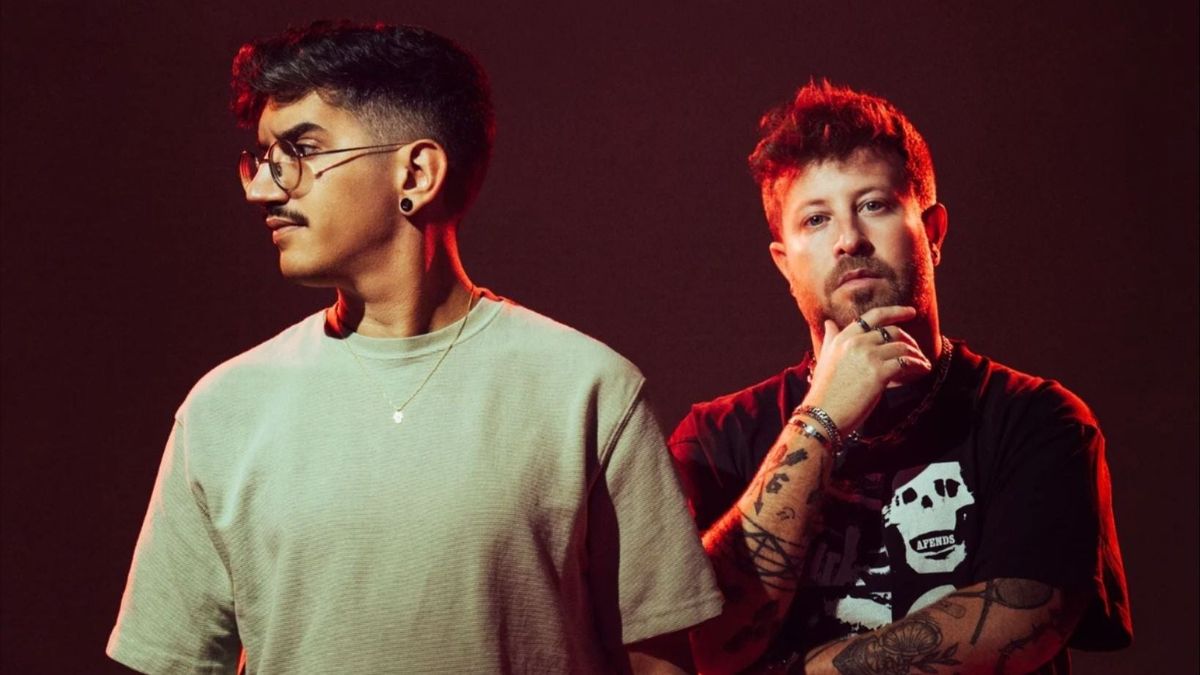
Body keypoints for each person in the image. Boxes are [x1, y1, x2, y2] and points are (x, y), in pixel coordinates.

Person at [107, 21, 722, 674]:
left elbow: (660, 665)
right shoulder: (222, 407)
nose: (262, 188)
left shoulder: (589, 390)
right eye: (261, 159)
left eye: (299, 151)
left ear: (417, 172)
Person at [669, 81, 1131, 674]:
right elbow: (701, 642)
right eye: (816, 219)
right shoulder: (714, 439)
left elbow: (1023, 621)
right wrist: (819, 422)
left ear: (933, 233)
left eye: (873, 205)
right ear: (784, 263)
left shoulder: (1039, 418)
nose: (848, 240)